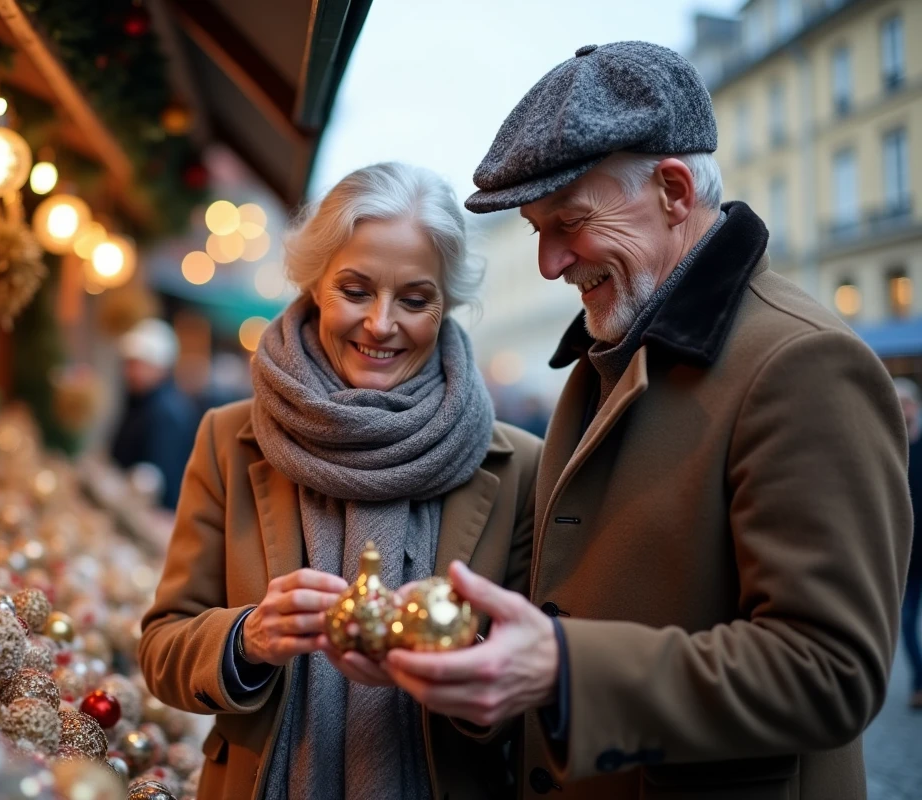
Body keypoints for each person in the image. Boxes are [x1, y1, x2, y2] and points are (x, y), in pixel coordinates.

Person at [382, 41, 912, 799]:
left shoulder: (803, 363)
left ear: (671, 189)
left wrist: (561, 668)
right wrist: (470, 647)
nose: (550, 264)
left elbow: (830, 674)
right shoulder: (616, 345)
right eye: (539, 231)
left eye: (569, 221)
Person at [138, 162, 543, 800]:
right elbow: (162, 648)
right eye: (355, 291)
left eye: (414, 299)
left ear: (447, 306)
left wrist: (462, 657)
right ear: (315, 285)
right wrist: (248, 638)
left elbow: (535, 685)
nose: (381, 324)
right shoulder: (227, 438)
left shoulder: (519, 466)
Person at [108, 318, 199, 511]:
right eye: (129, 364)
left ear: (161, 367)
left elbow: (162, 482)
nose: (131, 372)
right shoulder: (138, 401)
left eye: (139, 365)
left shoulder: (167, 413)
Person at [895, 377, 922, 709]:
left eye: (905, 403)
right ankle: (919, 681)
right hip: (908, 558)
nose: (902, 410)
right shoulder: (890, 450)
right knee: (906, 625)